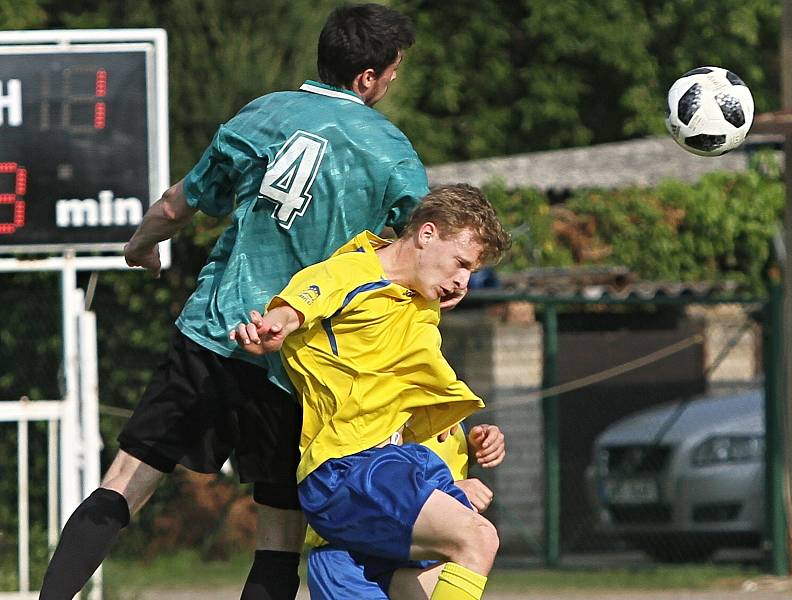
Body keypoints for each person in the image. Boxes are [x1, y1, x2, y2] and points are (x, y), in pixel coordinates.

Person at [38, 5, 453, 600]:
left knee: (125, 481)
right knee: (279, 529)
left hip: (213, 332)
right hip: (295, 361)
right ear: (367, 77)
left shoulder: (263, 115)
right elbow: (414, 261)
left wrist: (142, 244)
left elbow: (178, 205)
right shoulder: (393, 154)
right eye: (393, 70)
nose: (393, 81)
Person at [232, 184, 512, 600]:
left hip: (381, 487)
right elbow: (300, 304)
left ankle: (355, 565)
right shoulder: (350, 273)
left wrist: (465, 440)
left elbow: (407, 395)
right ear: (427, 234)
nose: (462, 282)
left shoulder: (421, 303)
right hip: (347, 470)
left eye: (470, 272)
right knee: (477, 539)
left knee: (444, 576)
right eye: (460, 264)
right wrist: (274, 325)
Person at [306, 423, 506, 600]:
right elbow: (362, 473)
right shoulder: (386, 392)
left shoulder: (445, 395)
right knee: (480, 539)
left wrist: (471, 448)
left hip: (417, 562)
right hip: (354, 558)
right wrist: (447, 489)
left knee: (477, 545)